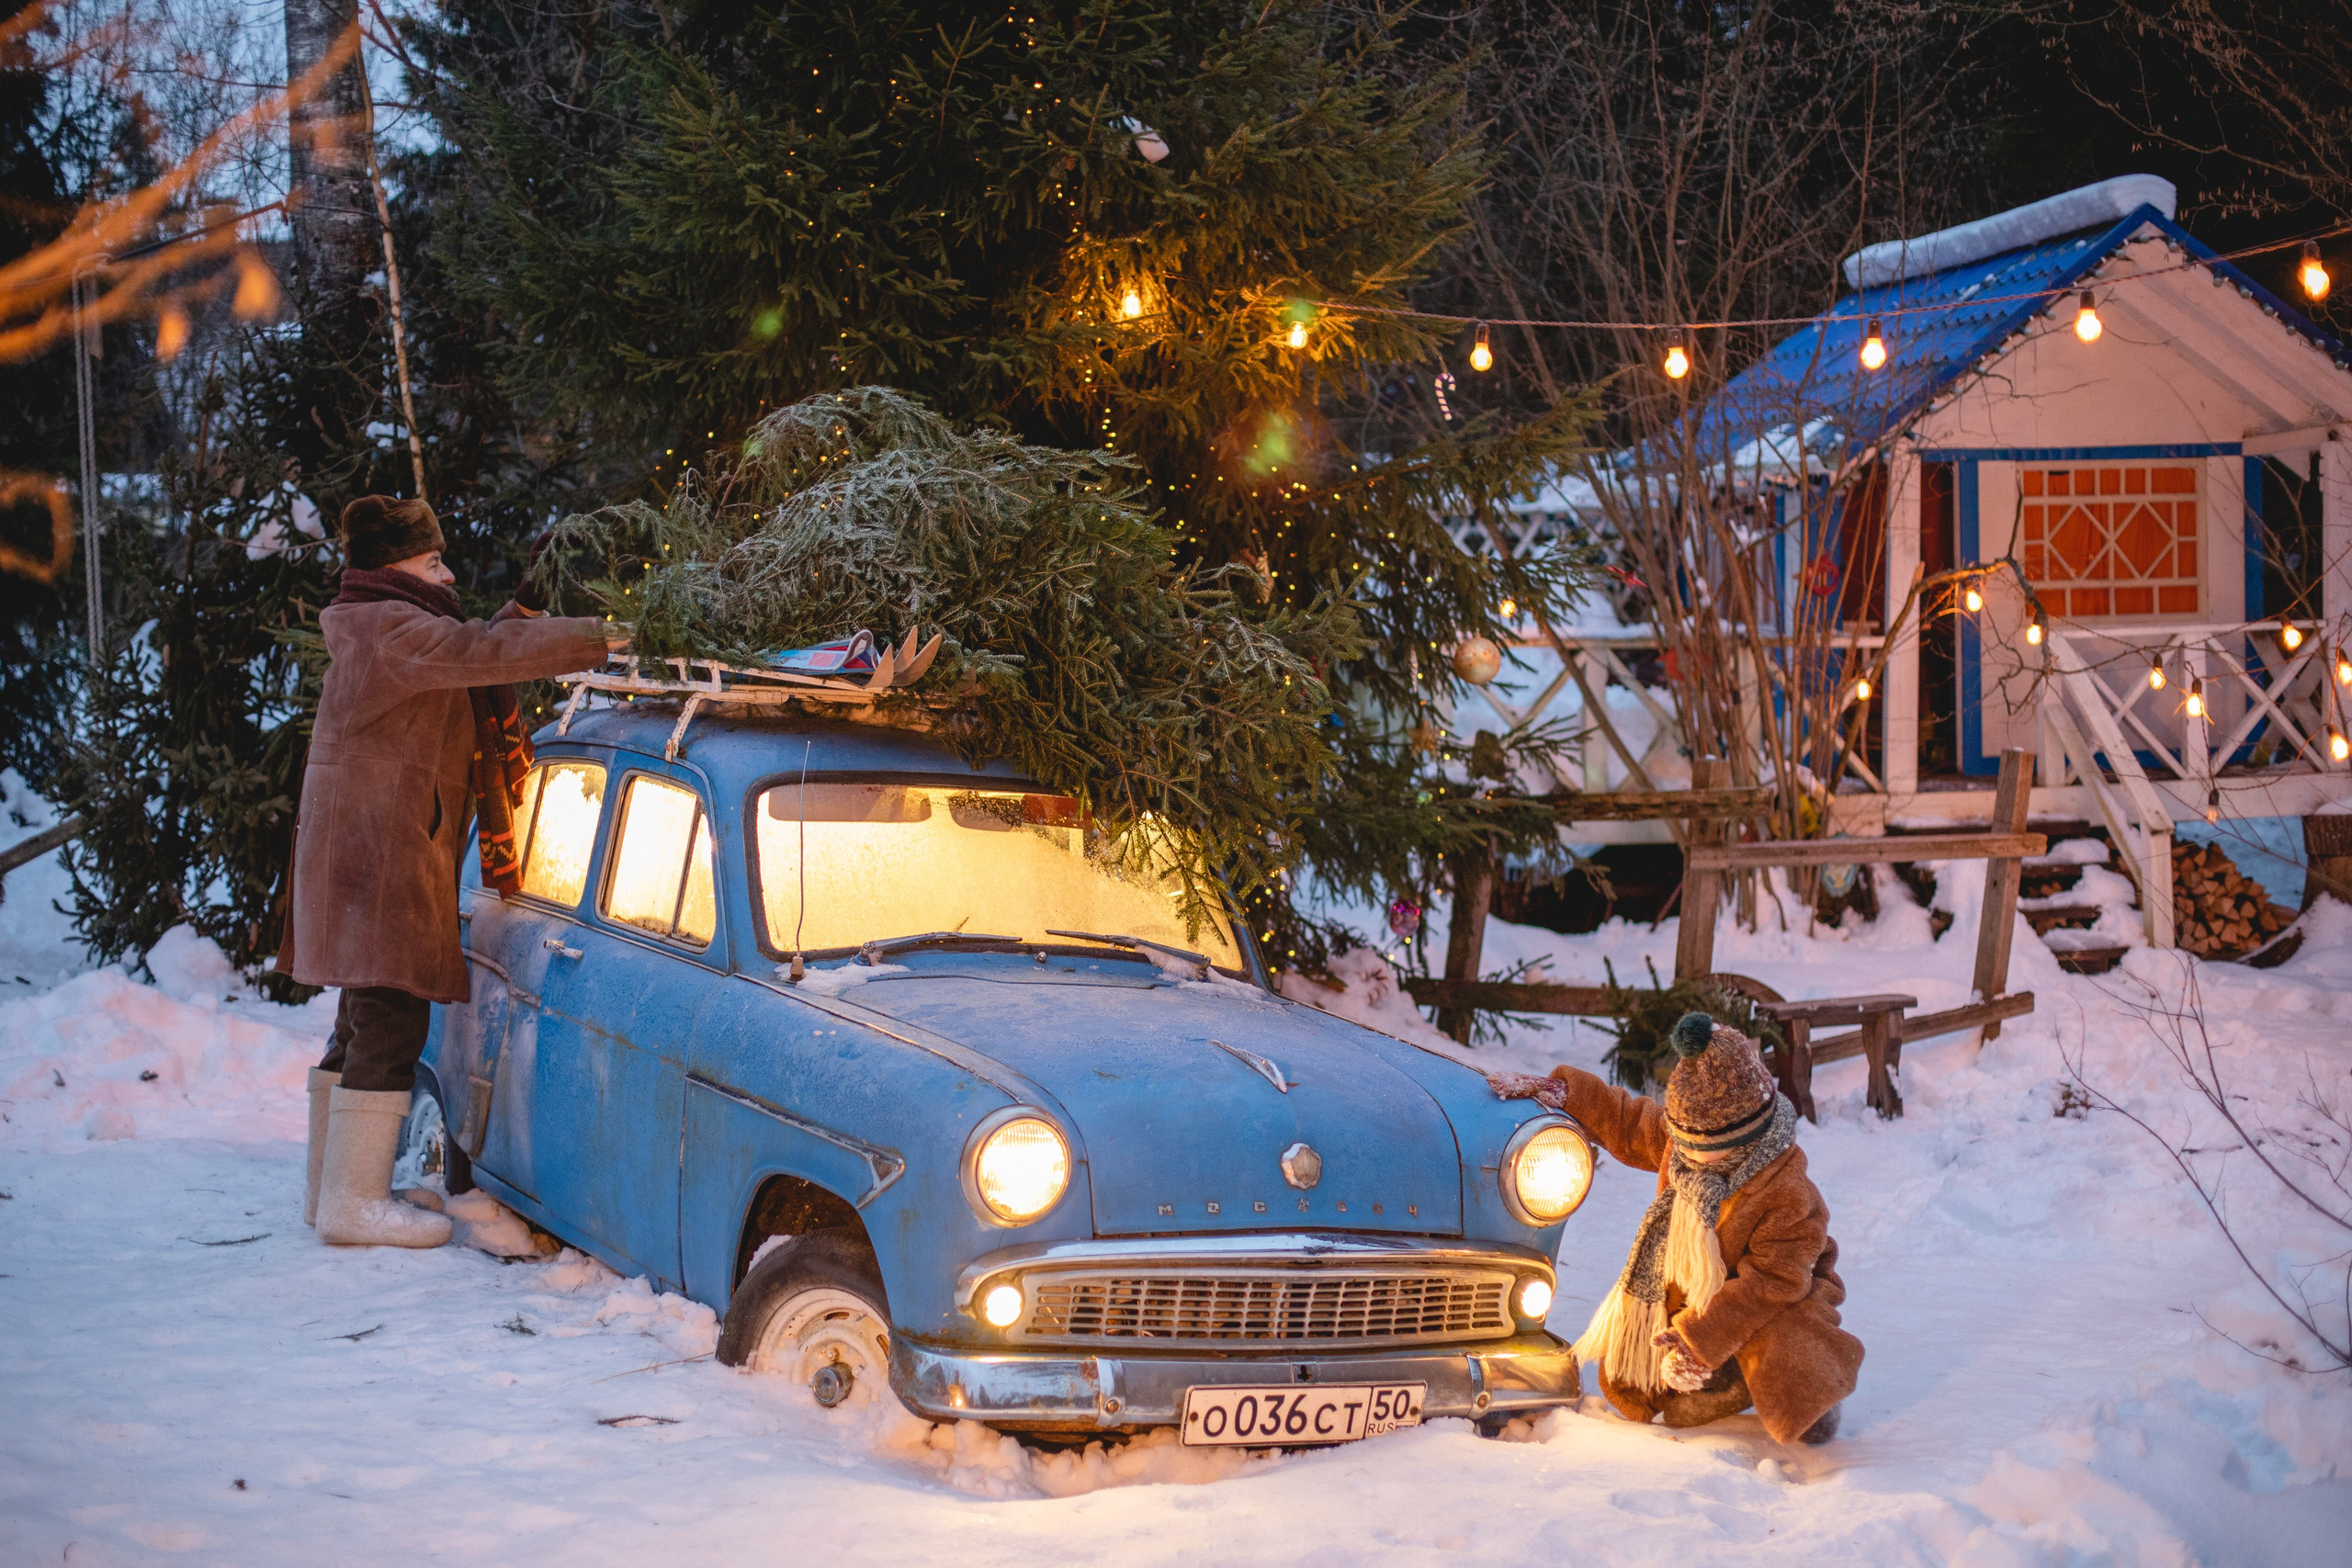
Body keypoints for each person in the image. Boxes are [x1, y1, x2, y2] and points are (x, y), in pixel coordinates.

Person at [290, 496, 620, 1247]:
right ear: (397, 567)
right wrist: (605, 638)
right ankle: (352, 1205)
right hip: (379, 850)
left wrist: (530, 602)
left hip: (365, 846)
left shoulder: (387, 624)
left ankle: (332, 1191)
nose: (448, 571)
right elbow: (478, 653)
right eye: (434, 561)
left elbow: (471, 646)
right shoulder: (393, 627)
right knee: (390, 1012)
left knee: (361, 1014)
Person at [1489, 1011, 1862, 1444]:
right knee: (1642, 1383)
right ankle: (1728, 1378)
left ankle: (1810, 1393)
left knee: (1790, 1359)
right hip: (1698, 1290)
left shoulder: (1785, 1191)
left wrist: (1700, 1339)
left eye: (1707, 1150)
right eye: (1684, 1143)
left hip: (1775, 1294)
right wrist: (1570, 1094)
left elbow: (1773, 1282)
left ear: (1748, 1138)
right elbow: (1627, 1120)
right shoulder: (1684, 1145)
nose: (1690, 1158)